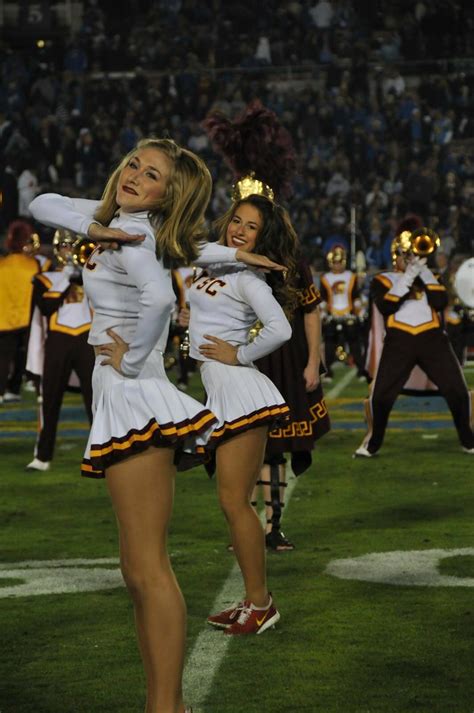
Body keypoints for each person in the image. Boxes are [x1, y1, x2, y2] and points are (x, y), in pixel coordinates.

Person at [29, 137, 285, 713]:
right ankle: (164, 703)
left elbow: (159, 300)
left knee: (148, 568)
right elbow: (43, 203)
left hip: (133, 396)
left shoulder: (138, 233)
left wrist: (130, 356)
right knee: (135, 569)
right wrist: (96, 229)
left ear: (167, 195)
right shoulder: (112, 221)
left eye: (152, 176)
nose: (135, 176)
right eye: (134, 165)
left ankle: (167, 706)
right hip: (124, 393)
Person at [189, 191, 296, 634]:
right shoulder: (213, 262)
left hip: (241, 391)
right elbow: (186, 245)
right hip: (222, 390)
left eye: (251, 226)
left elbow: (282, 328)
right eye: (236, 220)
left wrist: (241, 354)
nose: (239, 229)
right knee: (232, 502)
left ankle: (260, 604)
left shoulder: (249, 278)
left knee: (235, 502)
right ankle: (254, 599)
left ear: (262, 236)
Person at [354, 227, 474, 458]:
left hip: (433, 339)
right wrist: (409, 276)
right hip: (399, 340)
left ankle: (468, 440)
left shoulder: (430, 276)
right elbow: (387, 306)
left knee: (457, 390)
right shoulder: (382, 279)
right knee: (381, 396)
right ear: (395, 255)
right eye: (404, 254)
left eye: (411, 253)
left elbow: (440, 301)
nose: (408, 258)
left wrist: (424, 271)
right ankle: (372, 444)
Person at [26, 229, 95, 472]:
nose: (69, 251)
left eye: (72, 246)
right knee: (50, 399)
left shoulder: (91, 274)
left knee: (95, 399)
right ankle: (42, 456)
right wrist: (65, 278)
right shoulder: (43, 278)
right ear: (57, 249)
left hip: (87, 338)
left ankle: (102, 452)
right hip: (58, 340)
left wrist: (85, 273)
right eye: (65, 246)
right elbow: (45, 307)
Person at [0, 220, 40, 404]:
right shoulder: (33, 265)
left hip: (4, 318)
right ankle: (17, 387)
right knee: (23, 355)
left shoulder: (2, 264)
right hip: (27, 317)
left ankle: (3, 391)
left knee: (4, 357)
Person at [320, 244, 365, 381]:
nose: (337, 265)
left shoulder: (351, 276)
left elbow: (355, 296)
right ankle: (328, 372)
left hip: (348, 313)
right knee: (329, 344)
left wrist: (359, 311)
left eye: (339, 262)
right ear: (330, 262)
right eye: (335, 262)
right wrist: (323, 313)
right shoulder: (325, 278)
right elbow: (323, 298)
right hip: (332, 315)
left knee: (354, 343)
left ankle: (361, 371)